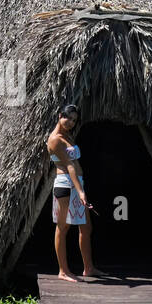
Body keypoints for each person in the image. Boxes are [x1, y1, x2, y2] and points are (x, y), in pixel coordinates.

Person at [46, 104, 103, 281]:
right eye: (68, 118)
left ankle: (89, 268)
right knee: (63, 228)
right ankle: (63, 271)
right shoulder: (55, 139)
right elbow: (70, 166)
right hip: (66, 185)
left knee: (86, 227)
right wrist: (81, 192)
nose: (70, 122)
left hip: (77, 184)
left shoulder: (67, 136)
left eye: (74, 120)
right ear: (59, 115)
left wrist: (80, 189)